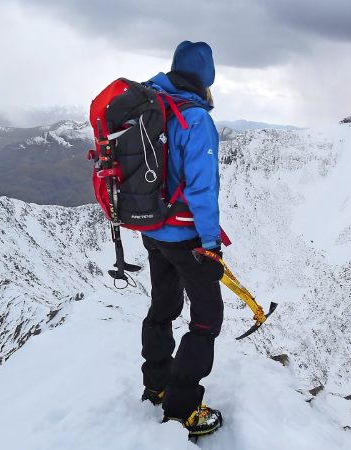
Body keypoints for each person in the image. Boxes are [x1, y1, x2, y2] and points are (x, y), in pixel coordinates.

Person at [138, 40, 224, 437]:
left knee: (163, 304)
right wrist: (211, 245)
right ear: (206, 80)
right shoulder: (195, 120)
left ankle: (156, 384)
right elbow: (203, 191)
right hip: (186, 237)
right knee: (206, 319)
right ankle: (182, 406)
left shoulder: (150, 106)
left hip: (150, 229)